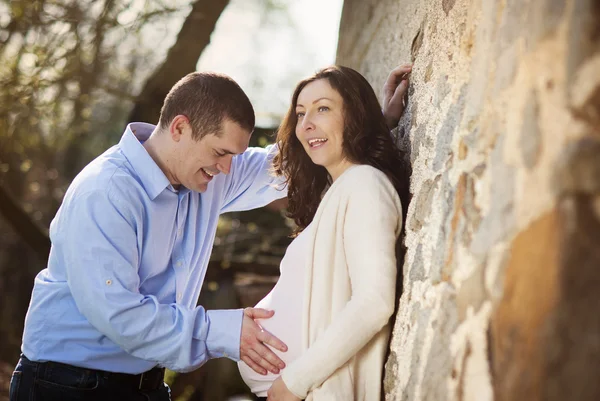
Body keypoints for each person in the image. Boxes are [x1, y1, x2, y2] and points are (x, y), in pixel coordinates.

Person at [9, 66, 409, 401]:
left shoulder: (210, 172)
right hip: (66, 384)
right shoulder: (106, 192)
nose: (227, 170)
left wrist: (374, 124)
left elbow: (299, 156)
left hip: (142, 383)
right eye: (220, 153)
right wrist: (223, 331)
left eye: (234, 156)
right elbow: (120, 315)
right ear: (180, 127)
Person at [237, 64, 412, 401]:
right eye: (301, 113)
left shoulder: (364, 184)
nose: (306, 124)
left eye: (323, 108)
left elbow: (373, 300)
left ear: (355, 115)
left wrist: (292, 382)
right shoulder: (342, 191)